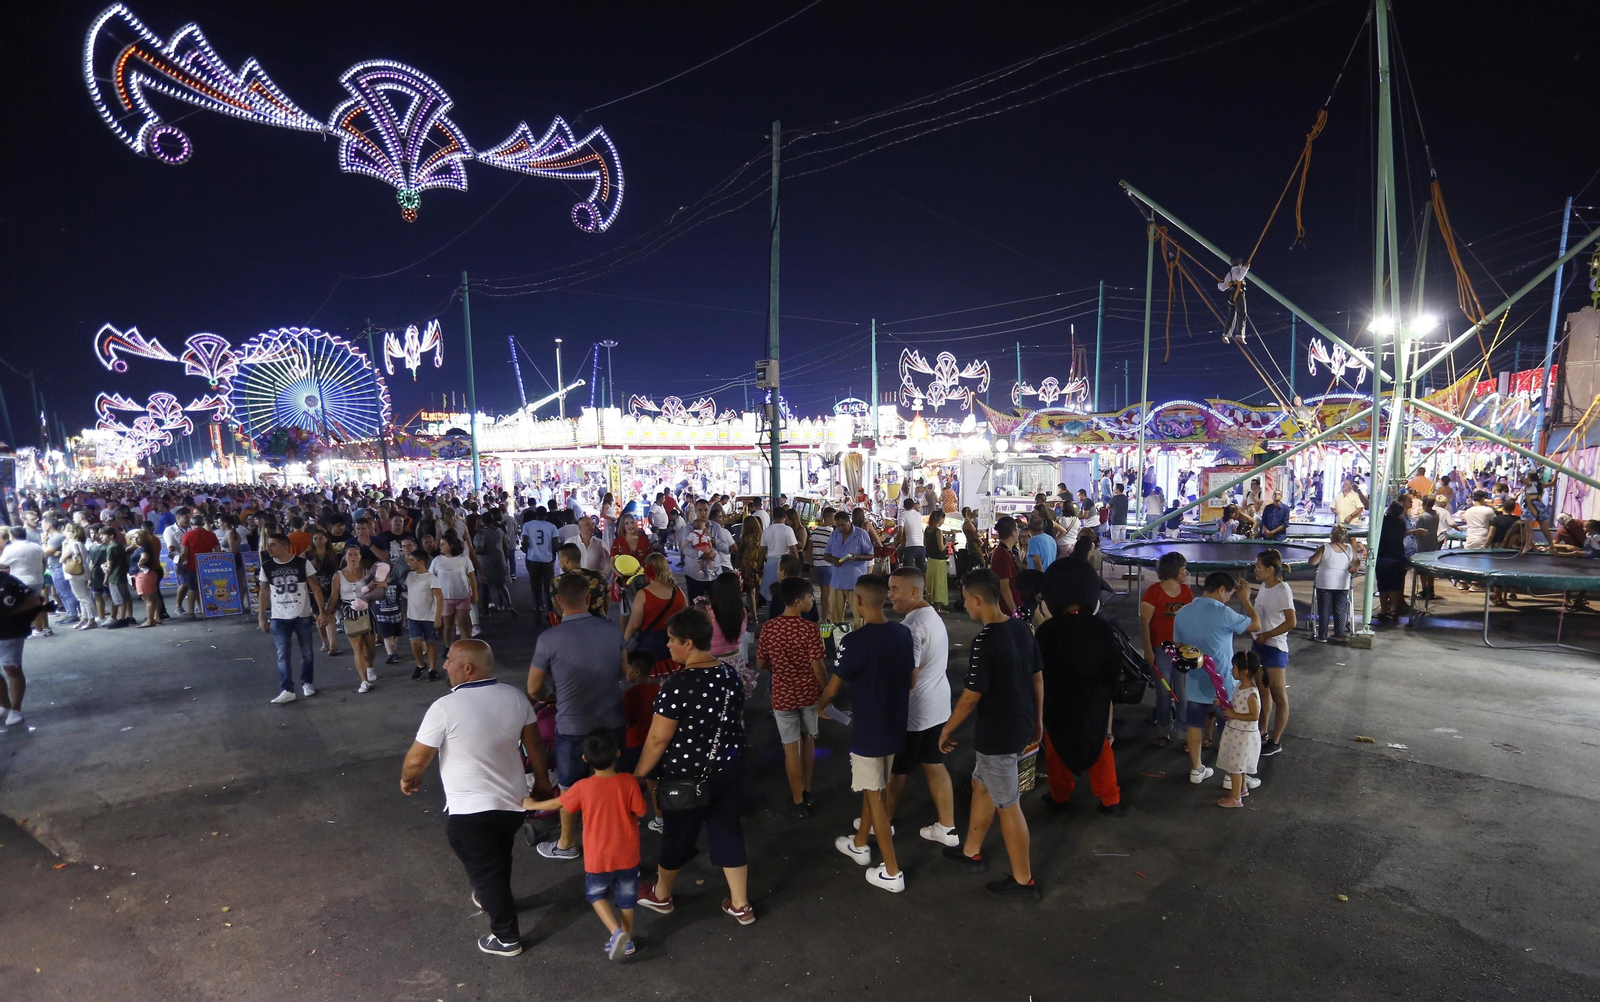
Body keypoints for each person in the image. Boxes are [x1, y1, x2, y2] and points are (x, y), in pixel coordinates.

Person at [401, 640, 551, 958]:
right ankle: (491, 897)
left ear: (467, 669)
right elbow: (535, 746)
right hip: (512, 804)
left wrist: (408, 778)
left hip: (469, 812)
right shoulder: (514, 696)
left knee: (485, 870)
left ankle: (506, 937)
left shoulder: (444, 708)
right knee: (498, 857)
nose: (445, 666)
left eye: (450, 661)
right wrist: (541, 783)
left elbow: (416, 760)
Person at [634, 608, 754, 926]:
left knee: (678, 835)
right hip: (728, 767)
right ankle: (740, 904)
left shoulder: (677, 685)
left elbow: (658, 739)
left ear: (688, 643)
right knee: (728, 830)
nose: (668, 646)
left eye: (672, 640)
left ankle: (661, 896)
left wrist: (639, 774)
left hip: (685, 776)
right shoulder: (728, 673)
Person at [939, 569, 1044, 901]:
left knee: (1008, 804)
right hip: (1020, 723)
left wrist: (947, 728)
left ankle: (1024, 881)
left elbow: (971, 696)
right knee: (980, 785)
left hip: (998, 732)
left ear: (977, 600)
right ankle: (971, 851)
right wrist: (1039, 721)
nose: (966, 607)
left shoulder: (984, 640)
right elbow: (1038, 678)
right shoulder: (1022, 628)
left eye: (966, 601)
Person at [816, 574, 914, 893]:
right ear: (885, 597)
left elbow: (833, 686)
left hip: (869, 730)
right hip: (896, 723)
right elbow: (911, 679)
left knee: (875, 798)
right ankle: (860, 844)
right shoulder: (902, 633)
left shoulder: (853, 641)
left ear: (858, 602)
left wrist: (822, 706)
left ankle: (891, 870)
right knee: (875, 788)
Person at [527, 573, 627, 862]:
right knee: (611, 782)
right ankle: (616, 839)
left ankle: (567, 842)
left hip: (572, 725)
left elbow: (534, 688)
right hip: (612, 722)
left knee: (569, 786)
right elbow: (623, 671)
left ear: (559, 602)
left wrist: (550, 697)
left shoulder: (549, 639)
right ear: (587, 599)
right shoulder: (610, 631)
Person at [522, 729, 647, 960]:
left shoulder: (583, 787)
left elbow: (556, 804)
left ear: (585, 759)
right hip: (628, 855)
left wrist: (530, 804)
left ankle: (615, 931)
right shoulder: (628, 782)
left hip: (598, 857)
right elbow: (641, 810)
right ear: (617, 753)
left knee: (596, 895)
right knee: (626, 898)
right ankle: (627, 940)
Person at [1034, 557, 1123, 815]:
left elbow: (1038, 669)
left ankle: (1060, 795)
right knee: (1099, 746)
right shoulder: (1101, 627)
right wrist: (1108, 692)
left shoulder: (1048, 630)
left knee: (1057, 749)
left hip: (1058, 700)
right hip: (1094, 699)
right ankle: (1110, 799)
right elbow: (1114, 666)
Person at [881, 566, 958, 845]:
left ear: (915, 591)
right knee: (934, 764)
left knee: (898, 770)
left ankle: (882, 821)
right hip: (937, 706)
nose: (890, 596)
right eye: (889, 589)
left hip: (916, 711)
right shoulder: (930, 616)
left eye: (895, 589)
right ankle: (947, 827)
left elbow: (908, 676)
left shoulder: (911, 627)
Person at [1172, 572, 1259, 785]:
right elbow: (1256, 625)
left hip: (1194, 681)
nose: (1229, 598)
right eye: (1229, 594)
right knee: (1230, 726)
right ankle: (1232, 776)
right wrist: (1246, 599)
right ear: (1221, 589)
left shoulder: (1182, 612)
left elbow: (1177, 647)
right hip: (1224, 684)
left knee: (1194, 725)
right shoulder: (1224, 612)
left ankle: (1196, 769)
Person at [756, 575, 826, 818]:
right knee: (808, 740)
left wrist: (779, 665)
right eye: (810, 597)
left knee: (790, 747)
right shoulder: (809, 629)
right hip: (808, 693)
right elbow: (818, 667)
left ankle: (797, 801)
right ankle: (808, 790)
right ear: (798, 601)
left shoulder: (770, 627)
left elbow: (761, 661)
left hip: (783, 695)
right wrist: (826, 693)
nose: (813, 600)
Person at [256, 532, 332, 705]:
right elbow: (263, 591)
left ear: (285, 546)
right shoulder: (267, 566)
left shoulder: (302, 563)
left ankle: (307, 682)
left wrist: (322, 612)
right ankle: (287, 689)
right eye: (269, 544)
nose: (269, 548)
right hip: (278, 617)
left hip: (302, 615)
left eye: (273, 544)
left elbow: (315, 587)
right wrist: (261, 616)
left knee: (307, 653)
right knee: (282, 654)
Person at [1139, 551, 1193, 747]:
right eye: (1183, 569)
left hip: (1180, 650)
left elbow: (1189, 622)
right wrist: (1148, 650)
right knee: (1163, 692)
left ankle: (1184, 732)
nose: (1186, 572)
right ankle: (1164, 730)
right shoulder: (1154, 592)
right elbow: (1144, 622)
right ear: (1174, 570)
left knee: (1181, 693)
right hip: (1161, 649)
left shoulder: (1186, 592)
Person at [1249, 549, 1295, 761]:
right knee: (1263, 691)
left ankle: (1276, 741)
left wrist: (1267, 634)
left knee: (1278, 695)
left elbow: (1290, 622)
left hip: (1274, 647)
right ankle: (1262, 731)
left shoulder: (1282, 589)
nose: (1255, 569)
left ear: (1270, 569)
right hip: (1258, 644)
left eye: (1258, 566)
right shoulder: (1264, 587)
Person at [1215, 651, 1264, 809]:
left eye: (1234, 667)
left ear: (1244, 671)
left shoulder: (1251, 694)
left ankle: (1235, 798)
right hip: (1236, 733)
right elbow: (1237, 705)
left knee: (1236, 767)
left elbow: (1254, 715)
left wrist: (1234, 714)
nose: (1231, 670)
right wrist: (1224, 703)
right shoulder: (1239, 686)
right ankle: (1242, 789)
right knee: (1240, 765)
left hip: (1243, 736)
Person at [622, 552, 687, 670]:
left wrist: (623, 643)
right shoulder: (677, 591)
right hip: (675, 642)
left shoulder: (643, 594)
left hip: (650, 644)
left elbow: (633, 625)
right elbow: (685, 615)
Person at [334, 545, 384, 692]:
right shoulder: (338, 575)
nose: (353, 557)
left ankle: (370, 666)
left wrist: (380, 586)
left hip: (367, 610)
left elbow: (379, 590)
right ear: (345, 557)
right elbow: (334, 596)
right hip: (348, 612)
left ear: (360, 557)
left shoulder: (367, 572)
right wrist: (326, 613)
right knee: (358, 648)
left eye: (356, 554)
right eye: (350, 554)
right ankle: (364, 681)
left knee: (370, 647)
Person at [0, 567, 43, 726]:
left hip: (10, 632)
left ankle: (16, 709)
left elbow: (34, 600)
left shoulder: (7, 581)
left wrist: (9, 613)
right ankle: (4, 705)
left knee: (12, 668)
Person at [823, 509, 875, 624]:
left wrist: (856, 557)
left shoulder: (861, 534)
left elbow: (870, 555)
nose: (840, 528)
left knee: (859, 616)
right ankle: (837, 638)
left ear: (849, 522)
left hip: (855, 581)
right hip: (837, 581)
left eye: (843, 525)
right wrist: (833, 560)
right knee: (835, 616)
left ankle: (860, 638)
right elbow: (826, 555)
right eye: (838, 525)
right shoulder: (834, 534)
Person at [1308, 525, 1358, 642]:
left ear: (1332, 535)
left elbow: (1312, 562)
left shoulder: (1325, 548)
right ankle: (1339, 634)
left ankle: (1322, 635)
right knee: (1340, 609)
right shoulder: (1350, 548)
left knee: (1324, 609)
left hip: (1325, 583)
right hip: (1342, 583)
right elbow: (1356, 563)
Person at [404, 549, 444, 680]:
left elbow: (439, 597)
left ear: (421, 562)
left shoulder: (431, 578)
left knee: (430, 642)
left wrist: (438, 617)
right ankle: (421, 665)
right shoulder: (410, 576)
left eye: (412, 560)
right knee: (414, 642)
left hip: (428, 616)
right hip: (413, 616)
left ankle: (433, 668)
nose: (409, 562)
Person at [177, 513, 220, 620]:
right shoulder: (211, 535)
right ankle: (210, 610)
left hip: (192, 566)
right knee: (209, 588)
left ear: (192, 523)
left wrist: (179, 565)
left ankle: (191, 612)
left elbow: (184, 552)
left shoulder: (187, 535)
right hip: (208, 566)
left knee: (192, 589)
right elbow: (218, 551)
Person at [552, 542, 608, 622]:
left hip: (572, 625)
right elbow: (607, 598)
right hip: (599, 622)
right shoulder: (600, 576)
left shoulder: (556, 581)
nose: (558, 563)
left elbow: (558, 607)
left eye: (559, 559)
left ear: (566, 560)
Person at [520, 506, 558, 618]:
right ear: (546, 515)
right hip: (547, 559)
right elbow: (555, 545)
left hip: (533, 559)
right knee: (548, 585)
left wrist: (526, 550)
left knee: (535, 584)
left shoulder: (528, 525)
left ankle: (538, 605)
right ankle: (550, 609)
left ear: (536, 514)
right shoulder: (552, 527)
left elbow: (525, 542)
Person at [1375, 501, 1409, 620]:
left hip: (1383, 556)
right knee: (1395, 585)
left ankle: (1384, 610)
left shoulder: (1383, 521)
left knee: (1383, 585)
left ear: (1389, 510)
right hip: (1398, 556)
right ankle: (1393, 609)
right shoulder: (1401, 523)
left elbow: (1371, 506)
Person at [759, 508, 800, 604]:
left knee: (770, 594)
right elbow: (793, 550)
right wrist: (797, 566)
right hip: (785, 564)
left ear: (773, 517)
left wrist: (760, 567)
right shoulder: (787, 530)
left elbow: (762, 551)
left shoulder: (766, 530)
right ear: (785, 517)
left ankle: (771, 616)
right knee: (786, 594)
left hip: (770, 563)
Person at [986, 515, 1023, 616]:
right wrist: (1015, 611)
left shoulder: (1005, 551)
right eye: (1017, 529)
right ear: (1013, 533)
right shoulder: (1002, 554)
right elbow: (1004, 586)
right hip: (1007, 609)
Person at [1412, 495, 1441, 600]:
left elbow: (1418, 532)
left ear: (1424, 504)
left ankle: (1425, 589)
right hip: (1433, 543)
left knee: (1422, 569)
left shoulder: (1422, 517)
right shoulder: (1436, 514)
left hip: (1423, 544)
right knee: (1431, 568)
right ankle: (1431, 589)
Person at [923, 509, 949, 607]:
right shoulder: (938, 531)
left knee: (931, 582)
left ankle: (931, 603)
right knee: (939, 582)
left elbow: (925, 543)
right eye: (942, 519)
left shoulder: (927, 529)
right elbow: (941, 548)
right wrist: (947, 542)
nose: (943, 521)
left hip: (930, 559)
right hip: (939, 560)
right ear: (939, 519)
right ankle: (939, 606)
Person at [896, 496, 926, 572]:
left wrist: (895, 544)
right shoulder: (918, 515)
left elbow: (900, 531)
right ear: (913, 506)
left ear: (903, 506)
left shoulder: (902, 515)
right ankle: (923, 583)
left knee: (907, 570)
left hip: (910, 546)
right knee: (922, 569)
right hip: (921, 546)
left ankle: (908, 583)